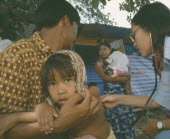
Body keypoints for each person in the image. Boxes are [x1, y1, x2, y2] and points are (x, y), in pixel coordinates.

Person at [101, 2, 170, 139]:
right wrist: (117, 99)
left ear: (150, 28)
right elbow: (161, 99)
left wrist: (159, 125)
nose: (134, 43)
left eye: (134, 35)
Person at [0, 0, 99, 138]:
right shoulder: (18, 55)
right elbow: (5, 127)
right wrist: (60, 124)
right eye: (77, 27)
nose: (76, 36)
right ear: (66, 20)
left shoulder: (70, 59)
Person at [39, 50, 113, 139]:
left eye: (67, 80)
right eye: (52, 84)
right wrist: (43, 106)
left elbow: (94, 91)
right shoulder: (55, 105)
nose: (61, 91)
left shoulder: (89, 99)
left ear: (80, 79)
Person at [95, 42, 135, 139]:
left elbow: (126, 75)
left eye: (104, 49)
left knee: (127, 119)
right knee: (114, 121)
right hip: (111, 95)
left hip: (122, 93)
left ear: (110, 49)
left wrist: (129, 92)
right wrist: (123, 79)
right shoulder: (99, 64)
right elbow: (105, 78)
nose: (102, 51)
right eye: (100, 50)